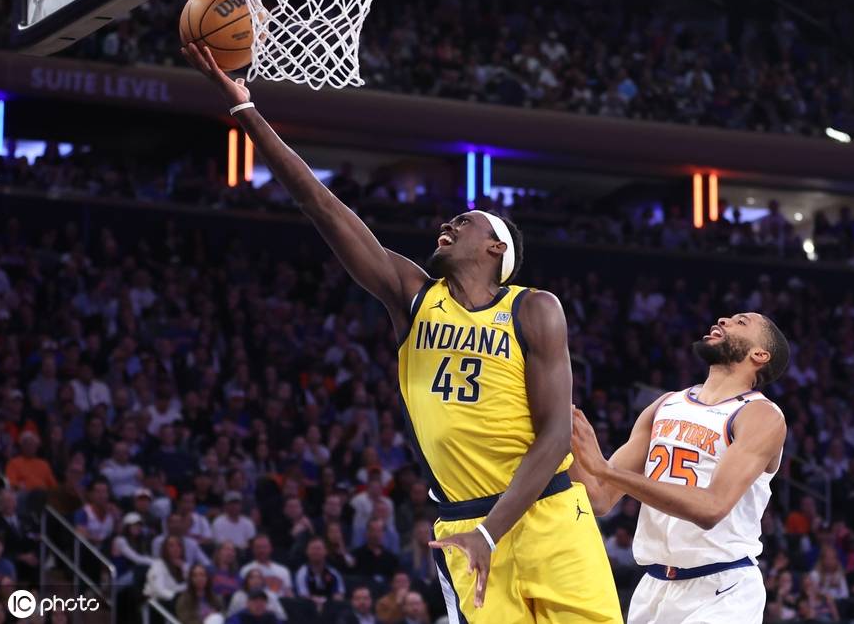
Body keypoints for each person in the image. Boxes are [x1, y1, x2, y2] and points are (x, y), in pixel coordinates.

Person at [183, 41, 621, 621]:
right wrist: (246, 111)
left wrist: (490, 533)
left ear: (496, 248)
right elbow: (322, 206)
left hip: (547, 514)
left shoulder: (533, 308)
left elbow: (554, 435)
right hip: (464, 521)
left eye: (463, 222)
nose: (447, 224)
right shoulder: (413, 298)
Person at [570, 312, 790, 624]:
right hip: (654, 587)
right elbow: (600, 498)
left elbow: (711, 508)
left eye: (741, 322)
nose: (724, 320)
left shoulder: (760, 415)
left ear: (760, 355)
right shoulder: (665, 404)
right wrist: (562, 432)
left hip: (722, 590)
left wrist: (605, 470)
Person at [145, 535, 189, 602]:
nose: (176, 548)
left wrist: (184, 568)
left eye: (179, 545)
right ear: (165, 549)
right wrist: (177, 597)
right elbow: (159, 590)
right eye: (171, 545)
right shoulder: (158, 565)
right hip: (160, 602)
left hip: (178, 600)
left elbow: (191, 585)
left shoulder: (184, 565)